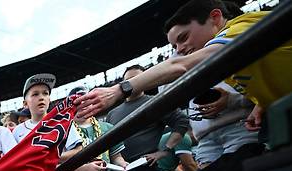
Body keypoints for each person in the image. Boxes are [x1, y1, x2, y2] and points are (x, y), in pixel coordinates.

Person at [75, 0, 292, 135]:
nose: (181, 49)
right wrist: (261, 102)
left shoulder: (240, 27)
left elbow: (180, 66)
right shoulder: (228, 62)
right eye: (175, 45)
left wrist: (120, 89)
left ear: (215, 18)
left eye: (184, 37)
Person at [105, 65, 189, 171]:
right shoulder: (112, 113)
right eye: (127, 80)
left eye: (137, 78)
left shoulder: (155, 102)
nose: (131, 83)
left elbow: (182, 122)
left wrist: (164, 151)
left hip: (143, 168)